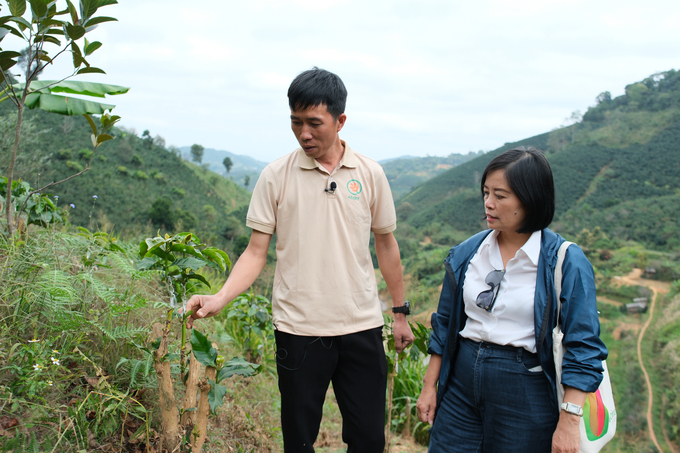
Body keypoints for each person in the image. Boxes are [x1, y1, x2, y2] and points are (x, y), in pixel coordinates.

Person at [186, 67, 414, 453]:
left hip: (360, 326)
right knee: (299, 439)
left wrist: (399, 312)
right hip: (298, 329)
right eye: (296, 122)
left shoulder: (370, 174)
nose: (304, 133)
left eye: (314, 123)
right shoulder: (276, 176)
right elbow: (256, 251)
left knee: (369, 439)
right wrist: (220, 297)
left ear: (340, 121)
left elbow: (386, 245)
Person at [416, 147, 608, 453]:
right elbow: (445, 324)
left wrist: (570, 420)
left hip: (524, 388)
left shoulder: (565, 262)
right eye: (486, 192)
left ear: (530, 199)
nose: (488, 203)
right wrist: (430, 387)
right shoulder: (468, 252)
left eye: (501, 195)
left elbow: (583, 345)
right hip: (462, 382)